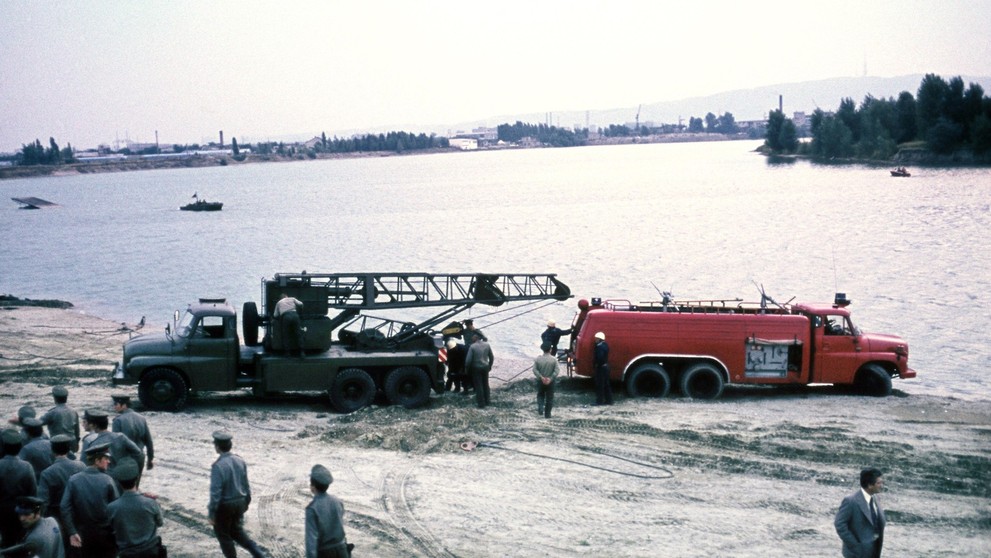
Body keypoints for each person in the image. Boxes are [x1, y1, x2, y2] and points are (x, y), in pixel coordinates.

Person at [208, 431, 267, 558]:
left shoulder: (217, 466)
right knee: (238, 532)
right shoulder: (240, 460)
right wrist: (246, 503)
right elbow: (246, 485)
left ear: (217, 447)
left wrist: (212, 513)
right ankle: (259, 554)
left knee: (224, 536)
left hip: (225, 506)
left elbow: (215, 494)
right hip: (240, 502)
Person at [60, 443, 119, 558]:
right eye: (106, 458)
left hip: (82, 534)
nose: (108, 461)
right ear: (97, 461)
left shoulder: (73, 480)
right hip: (105, 535)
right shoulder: (108, 480)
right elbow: (116, 509)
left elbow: (64, 507)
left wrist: (72, 531)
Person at [37, 435, 84, 555]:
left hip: (58, 518)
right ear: (69, 449)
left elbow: (43, 502)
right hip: (80, 515)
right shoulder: (81, 466)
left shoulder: (47, 473)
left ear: (52, 450)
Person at [108, 458, 163, 558]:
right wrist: (156, 503)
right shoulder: (150, 503)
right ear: (137, 478)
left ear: (119, 482)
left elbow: (110, 531)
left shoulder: (111, 508)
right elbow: (160, 523)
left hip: (127, 554)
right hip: (151, 552)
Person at [835, 467, 886, 558]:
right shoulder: (851, 501)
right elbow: (840, 524)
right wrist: (854, 545)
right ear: (870, 485)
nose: (882, 485)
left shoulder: (875, 498)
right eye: (879, 483)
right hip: (856, 554)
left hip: (874, 551)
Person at [0, 429, 38, 549]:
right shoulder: (27, 467)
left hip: (2, 512)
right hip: (22, 511)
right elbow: (33, 493)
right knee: (21, 541)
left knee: (6, 541)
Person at [80, 410, 143, 479]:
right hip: (122, 477)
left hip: (103, 479)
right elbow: (138, 453)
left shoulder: (92, 442)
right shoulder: (120, 437)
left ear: (94, 425)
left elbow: (84, 464)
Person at [305, 464, 348, 558]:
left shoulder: (312, 509)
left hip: (325, 553)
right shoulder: (337, 501)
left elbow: (311, 541)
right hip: (342, 550)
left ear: (312, 486)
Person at [112, 395, 154, 475]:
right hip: (140, 457)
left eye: (116, 404)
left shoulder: (118, 420)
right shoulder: (141, 418)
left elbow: (115, 445)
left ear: (124, 405)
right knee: (135, 485)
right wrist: (150, 459)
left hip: (125, 459)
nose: (114, 407)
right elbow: (149, 441)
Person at [40, 387, 80, 456]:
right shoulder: (73, 411)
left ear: (55, 398)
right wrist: (76, 442)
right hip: (72, 442)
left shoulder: (52, 413)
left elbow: (37, 423)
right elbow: (77, 429)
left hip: (58, 444)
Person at [464, 331, 494, 408]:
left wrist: (467, 369)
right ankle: (488, 401)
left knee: (479, 386)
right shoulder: (487, 345)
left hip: (476, 368)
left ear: (476, 337)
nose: (471, 338)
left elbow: (468, 361)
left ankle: (481, 404)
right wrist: (490, 365)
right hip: (485, 367)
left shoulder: (472, 347)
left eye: (473, 336)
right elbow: (491, 357)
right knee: (486, 384)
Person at [533, 342, 560, 418]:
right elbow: (557, 370)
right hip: (551, 382)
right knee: (549, 398)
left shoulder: (538, 359)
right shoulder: (554, 359)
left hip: (541, 381)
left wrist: (541, 377)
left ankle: (540, 408)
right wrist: (550, 378)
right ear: (550, 350)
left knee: (540, 395)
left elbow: (534, 370)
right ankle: (547, 415)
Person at [593, 331, 613, 405]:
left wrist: (596, 364)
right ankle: (609, 400)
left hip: (601, 368)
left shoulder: (599, 347)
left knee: (600, 385)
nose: (595, 340)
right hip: (606, 367)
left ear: (600, 339)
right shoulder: (605, 345)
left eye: (596, 338)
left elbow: (599, 358)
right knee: (606, 385)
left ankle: (599, 401)